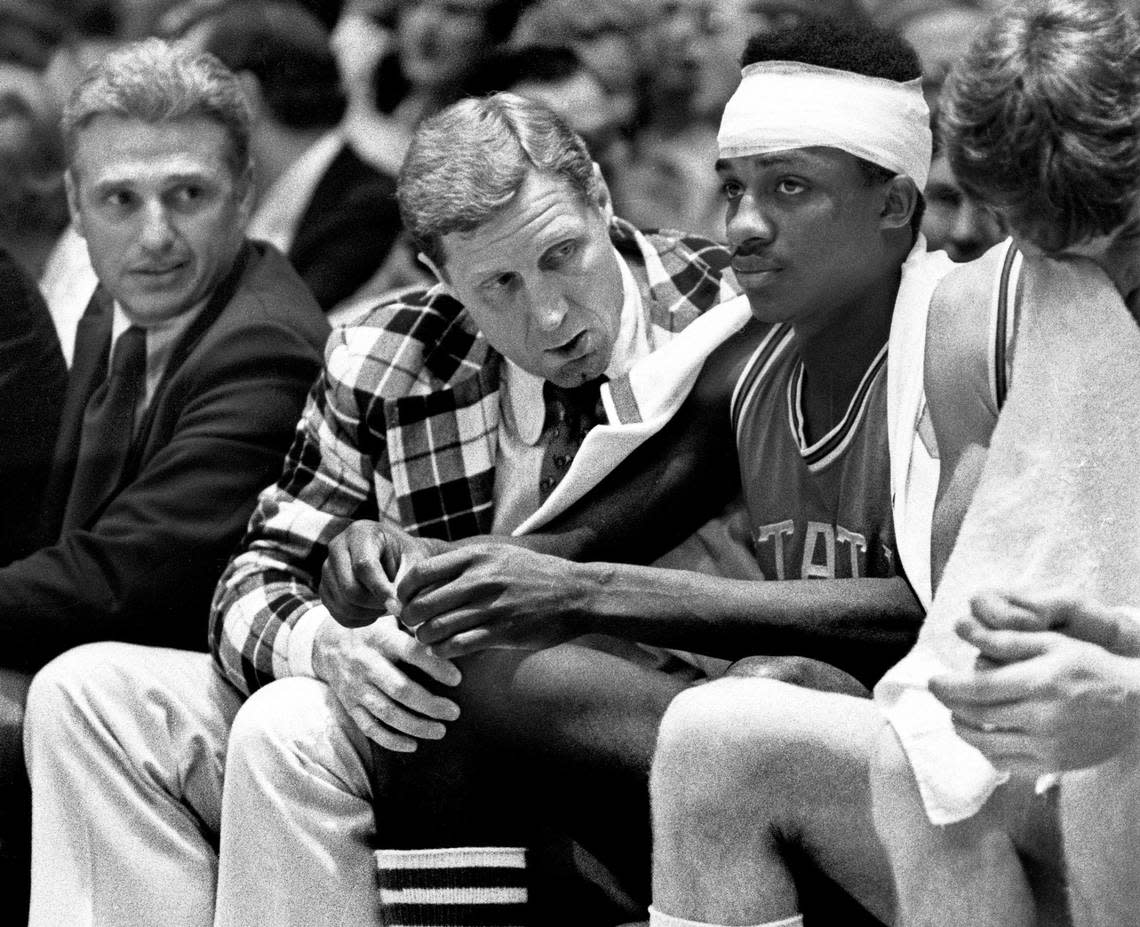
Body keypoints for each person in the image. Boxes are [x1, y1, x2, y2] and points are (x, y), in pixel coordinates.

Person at [22, 92, 741, 927]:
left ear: (603, 204)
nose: (545, 313)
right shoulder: (387, 353)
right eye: (498, 285)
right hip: (416, 703)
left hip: (627, 710)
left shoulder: (731, 314)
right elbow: (252, 578)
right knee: (89, 691)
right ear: (441, 279)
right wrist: (330, 646)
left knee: (292, 725)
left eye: (562, 255)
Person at [315, 14, 953, 925]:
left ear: (894, 206)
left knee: (759, 704)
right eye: (733, 190)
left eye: (789, 189)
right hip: (768, 728)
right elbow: (575, 537)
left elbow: (933, 612)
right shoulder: (744, 352)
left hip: (951, 752)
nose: (744, 224)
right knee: (460, 661)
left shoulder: (959, 336)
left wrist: (582, 589)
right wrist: (413, 566)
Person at [646, 1, 1140, 926]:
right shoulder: (980, 314)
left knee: (1120, 771)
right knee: (894, 755)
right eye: (1042, 238)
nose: (1092, 275)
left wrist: (1132, 696)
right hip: (1066, 777)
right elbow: (961, 643)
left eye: (1121, 240)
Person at [18, 36, 330, 924]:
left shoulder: (263, 342)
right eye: (120, 199)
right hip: (129, 664)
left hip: (227, 692)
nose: (153, 236)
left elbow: (128, 579)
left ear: (242, 198)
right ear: (76, 204)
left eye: (186, 195)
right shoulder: (111, 312)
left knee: (77, 688)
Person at [183, 0, 404, 315]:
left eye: (188, 96)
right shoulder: (232, 200)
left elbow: (268, 336)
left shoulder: (370, 207)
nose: (173, 123)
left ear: (242, 98)